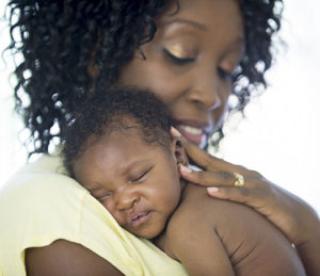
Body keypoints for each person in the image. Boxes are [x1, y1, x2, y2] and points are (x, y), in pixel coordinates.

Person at [0, 0, 319, 275]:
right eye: (180, 54)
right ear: (99, 53)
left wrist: (306, 226)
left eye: (226, 70)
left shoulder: (194, 200)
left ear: (176, 151)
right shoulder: (52, 211)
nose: (212, 96)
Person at [62, 86, 305, 275]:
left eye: (138, 177)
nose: (124, 200)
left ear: (177, 154)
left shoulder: (189, 226)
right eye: (102, 195)